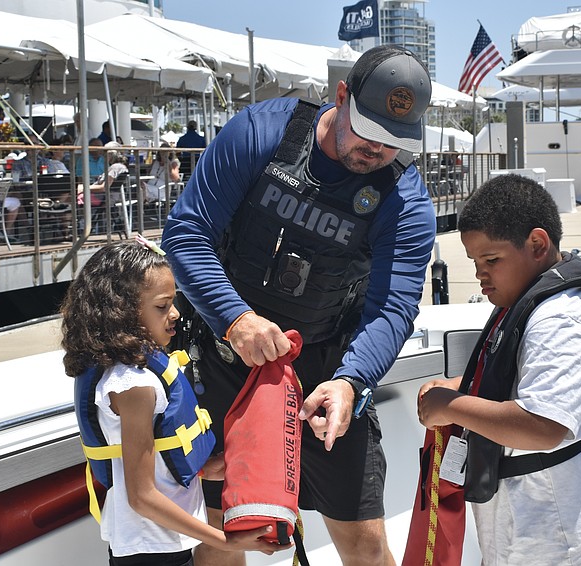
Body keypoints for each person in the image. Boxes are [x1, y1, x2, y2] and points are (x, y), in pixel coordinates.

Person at [161, 44, 436, 565]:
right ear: (341, 97)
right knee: (221, 527)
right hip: (225, 361)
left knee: (364, 536)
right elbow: (186, 233)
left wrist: (352, 380)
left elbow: (393, 307)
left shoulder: (405, 201)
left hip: (326, 373)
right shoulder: (259, 133)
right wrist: (235, 319)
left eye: (394, 141)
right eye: (369, 131)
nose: (378, 150)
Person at [416, 174, 581, 565]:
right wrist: (462, 386)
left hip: (558, 525)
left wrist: (451, 406)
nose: (481, 274)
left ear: (537, 244)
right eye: (475, 262)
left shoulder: (565, 321)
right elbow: (517, 377)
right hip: (521, 514)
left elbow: (542, 424)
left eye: (492, 260)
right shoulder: (525, 302)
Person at [60, 238, 285, 566]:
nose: (176, 314)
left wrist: (203, 470)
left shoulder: (133, 370)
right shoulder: (133, 385)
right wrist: (226, 539)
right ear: (123, 311)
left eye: (174, 302)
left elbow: (150, 463)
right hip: (150, 549)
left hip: (160, 545)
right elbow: (141, 497)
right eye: (162, 306)